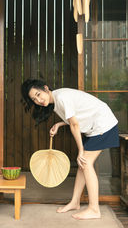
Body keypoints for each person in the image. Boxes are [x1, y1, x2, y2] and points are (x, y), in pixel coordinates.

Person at [21, 78, 119, 220]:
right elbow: (75, 116)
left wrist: (80, 150)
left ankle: (94, 209)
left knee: (85, 163)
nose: (38, 100)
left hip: (103, 124)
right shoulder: (57, 101)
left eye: (38, 94)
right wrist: (60, 124)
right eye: (34, 99)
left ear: (46, 88)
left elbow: (74, 125)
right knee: (82, 165)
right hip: (95, 126)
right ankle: (75, 202)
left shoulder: (61, 98)